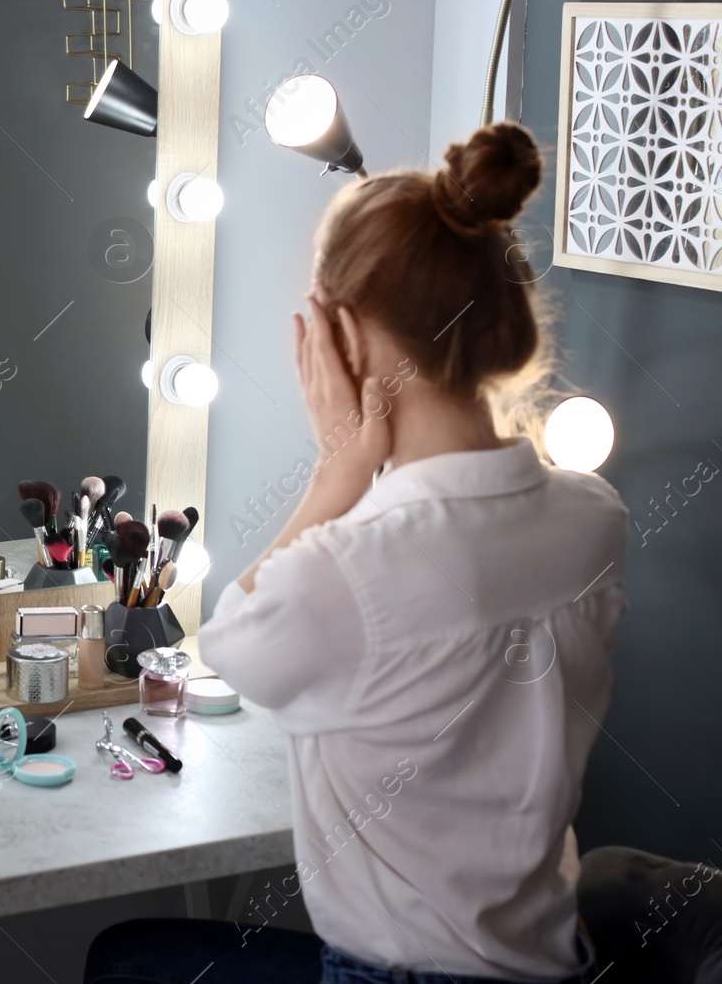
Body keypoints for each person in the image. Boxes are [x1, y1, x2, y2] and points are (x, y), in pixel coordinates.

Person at [86, 123, 628, 983]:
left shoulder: (348, 573)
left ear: (347, 339)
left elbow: (231, 645)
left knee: (129, 959)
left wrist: (339, 468)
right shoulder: (595, 520)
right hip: (552, 963)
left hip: (402, 976)